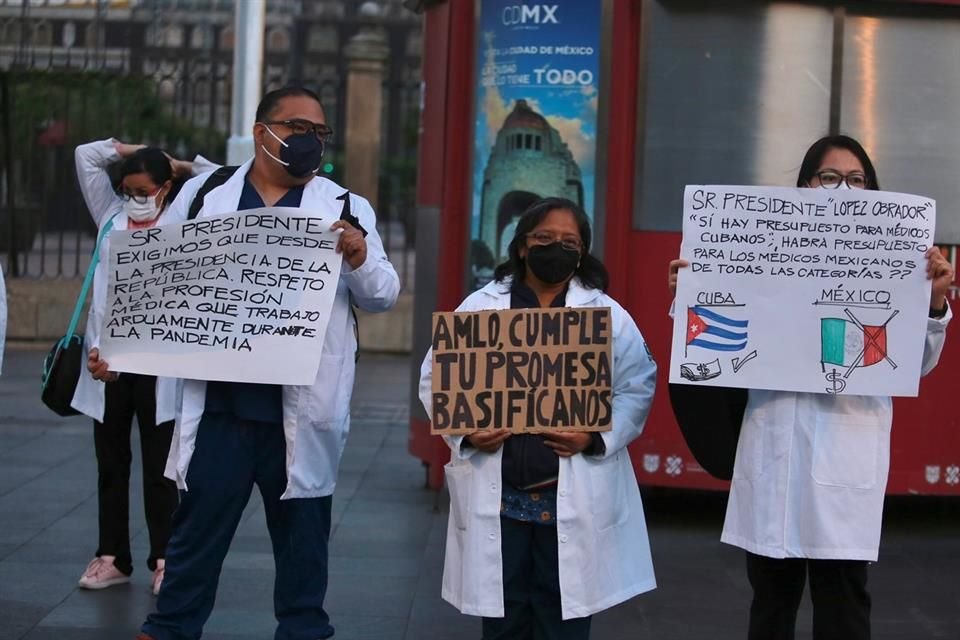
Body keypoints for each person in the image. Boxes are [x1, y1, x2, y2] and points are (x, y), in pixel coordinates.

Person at [130, 86, 400, 640]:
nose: (311, 142)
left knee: (303, 539)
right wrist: (116, 344)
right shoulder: (205, 195)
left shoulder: (345, 206)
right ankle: (170, 629)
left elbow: (383, 295)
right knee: (196, 534)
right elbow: (154, 276)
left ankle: (303, 631)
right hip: (220, 411)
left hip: (297, 414)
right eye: (298, 128)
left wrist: (359, 255)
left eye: (320, 133)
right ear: (262, 133)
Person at [668, 134, 953, 640]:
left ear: (872, 191)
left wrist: (931, 304)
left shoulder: (895, 262)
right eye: (829, 177)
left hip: (846, 452)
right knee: (771, 605)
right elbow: (716, 346)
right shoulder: (763, 248)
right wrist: (693, 291)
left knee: (843, 603)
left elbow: (917, 363)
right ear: (804, 186)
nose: (843, 188)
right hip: (774, 446)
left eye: (856, 179)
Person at [419, 197, 657, 640]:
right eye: (544, 238)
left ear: (583, 251)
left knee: (561, 616)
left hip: (569, 492)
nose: (556, 248)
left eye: (569, 242)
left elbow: (638, 384)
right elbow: (436, 378)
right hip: (502, 497)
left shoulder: (607, 315)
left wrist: (594, 436)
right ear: (523, 246)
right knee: (505, 617)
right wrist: (468, 431)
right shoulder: (480, 308)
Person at [73, 139, 211, 594]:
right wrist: (127, 148)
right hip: (107, 365)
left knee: (161, 468)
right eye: (126, 188)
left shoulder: (182, 216)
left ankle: (163, 557)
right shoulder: (109, 218)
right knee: (110, 461)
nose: (133, 196)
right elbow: (84, 156)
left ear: (166, 187)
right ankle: (111, 556)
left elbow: (220, 174)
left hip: (160, 366)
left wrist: (177, 161)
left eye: (143, 188)